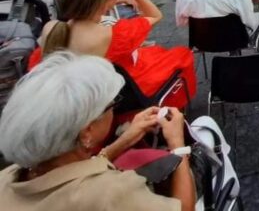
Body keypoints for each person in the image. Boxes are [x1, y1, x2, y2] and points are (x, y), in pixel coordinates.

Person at [0, 51, 195, 211]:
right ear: (86, 132)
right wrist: (178, 145)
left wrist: (124, 141)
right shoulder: (110, 192)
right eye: (112, 104)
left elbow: (67, 170)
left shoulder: (8, 177)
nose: (114, 108)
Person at [29, 0, 196, 109]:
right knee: (181, 55)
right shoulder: (115, 32)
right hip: (117, 94)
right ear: (102, 1)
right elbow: (155, 15)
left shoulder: (51, 28)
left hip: (72, 95)